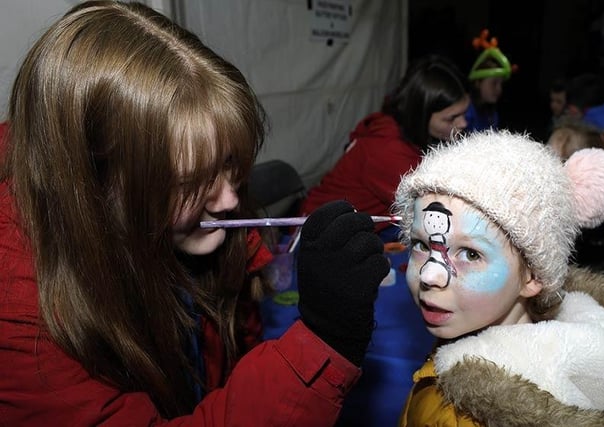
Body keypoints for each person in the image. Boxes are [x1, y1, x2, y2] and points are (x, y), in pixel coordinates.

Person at [0, 2, 389, 425]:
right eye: (190, 184)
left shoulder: (188, 219)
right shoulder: (23, 320)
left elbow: (236, 335)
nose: (227, 201)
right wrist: (321, 345)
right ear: (93, 184)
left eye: (229, 165)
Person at [393, 130, 604, 426]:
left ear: (533, 275)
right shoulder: (592, 337)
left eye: (471, 254)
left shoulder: (455, 415)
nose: (430, 275)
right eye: (421, 244)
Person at [300, 54, 469, 233]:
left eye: (464, 113)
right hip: (320, 233)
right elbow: (436, 212)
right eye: (451, 118)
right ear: (421, 116)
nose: (463, 123)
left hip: (366, 228)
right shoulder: (387, 151)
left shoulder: (405, 130)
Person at [465, 29, 516, 132]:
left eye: (501, 84)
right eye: (494, 83)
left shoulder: (492, 113)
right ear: (478, 82)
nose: (499, 89)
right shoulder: (464, 111)